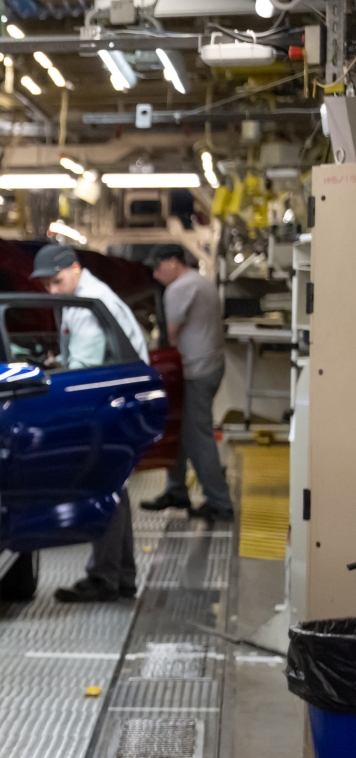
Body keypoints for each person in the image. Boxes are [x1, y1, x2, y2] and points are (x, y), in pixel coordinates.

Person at [28, 243, 148, 604]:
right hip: (124, 399)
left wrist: (48, 385)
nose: (52, 290)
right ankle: (121, 575)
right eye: (47, 284)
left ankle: (104, 578)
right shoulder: (85, 296)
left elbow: (83, 370)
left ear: (76, 269)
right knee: (114, 486)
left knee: (101, 484)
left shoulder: (89, 305)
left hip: (112, 404)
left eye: (57, 281)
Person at [141, 245, 234, 522]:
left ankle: (220, 503)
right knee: (178, 429)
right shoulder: (200, 282)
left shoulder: (179, 289)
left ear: (172, 262)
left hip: (196, 371)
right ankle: (176, 490)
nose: (156, 275)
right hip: (208, 367)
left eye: (158, 267)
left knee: (198, 437)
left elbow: (169, 335)